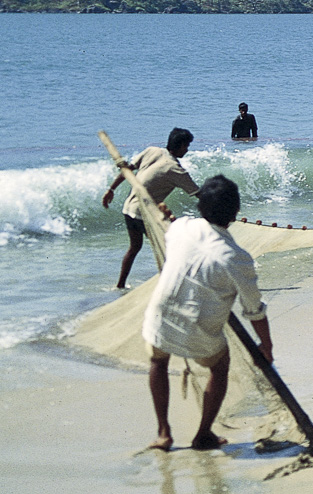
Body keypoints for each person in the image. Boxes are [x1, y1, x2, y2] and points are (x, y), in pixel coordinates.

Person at [142, 174, 273, 451]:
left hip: (161, 318)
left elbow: (175, 235)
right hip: (197, 329)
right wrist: (267, 346)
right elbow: (254, 309)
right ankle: (203, 434)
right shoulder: (236, 257)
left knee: (158, 361)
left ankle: (163, 433)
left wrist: (169, 216)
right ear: (235, 212)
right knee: (220, 366)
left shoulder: (181, 227)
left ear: (200, 205)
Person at [102, 128, 200, 289]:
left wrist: (111, 189)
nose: (187, 150)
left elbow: (127, 170)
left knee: (134, 248)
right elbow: (198, 194)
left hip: (129, 209)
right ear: (181, 145)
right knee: (172, 247)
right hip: (145, 214)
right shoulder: (175, 169)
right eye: (186, 146)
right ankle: (173, 285)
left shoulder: (151, 151)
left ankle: (120, 285)